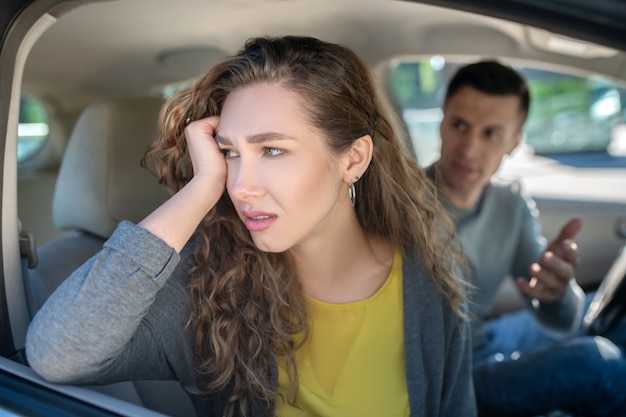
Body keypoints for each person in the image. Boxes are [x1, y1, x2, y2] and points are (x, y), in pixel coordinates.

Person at [25, 36, 476, 417]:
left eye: (272, 151)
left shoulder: (427, 287)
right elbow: (58, 355)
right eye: (229, 152)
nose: (240, 187)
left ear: (353, 159)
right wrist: (201, 188)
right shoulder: (211, 285)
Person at [428, 60, 626, 416]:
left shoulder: (509, 203)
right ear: (442, 122)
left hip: (487, 338)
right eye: (459, 125)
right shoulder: (402, 203)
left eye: (491, 133)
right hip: (451, 377)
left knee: (604, 306)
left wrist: (555, 293)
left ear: (514, 141)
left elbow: (559, 318)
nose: (470, 148)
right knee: (600, 363)